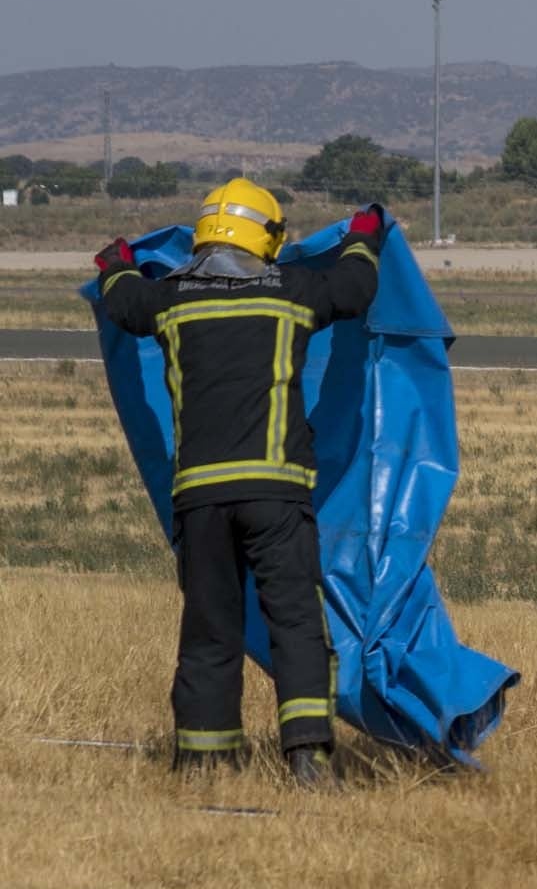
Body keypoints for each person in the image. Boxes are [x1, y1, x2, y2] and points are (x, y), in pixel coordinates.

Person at [94, 179, 382, 784]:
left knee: (209, 627)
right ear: (269, 237)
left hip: (200, 498)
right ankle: (307, 755)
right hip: (276, 493)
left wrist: (116, 265)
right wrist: (362, 238)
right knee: (296, 622)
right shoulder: (295, 291)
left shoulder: (170, 300)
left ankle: (204, 764)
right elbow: (355, 292)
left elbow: (123, 303)